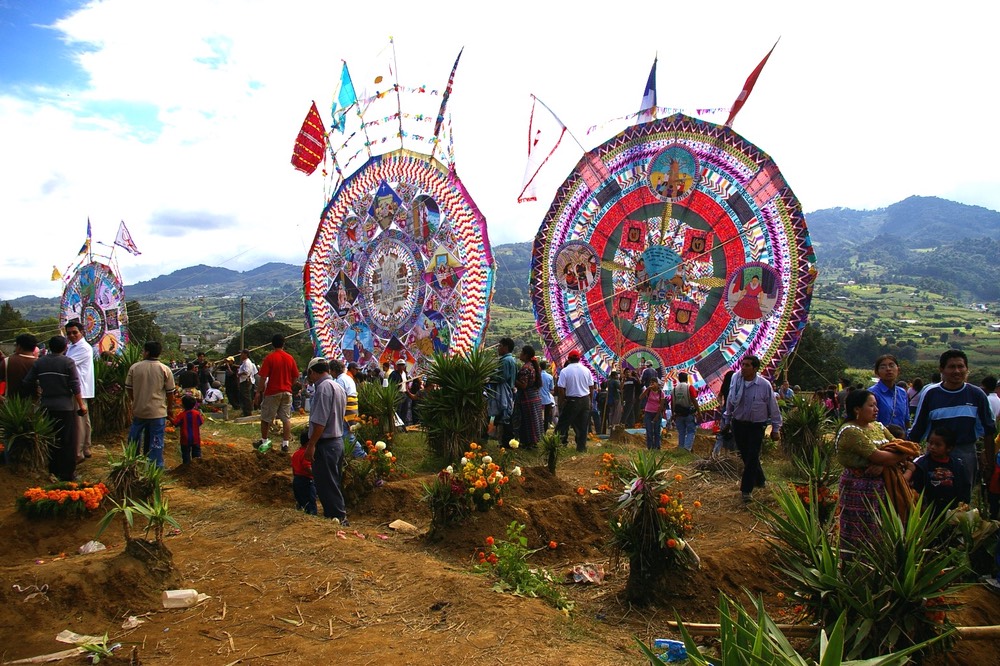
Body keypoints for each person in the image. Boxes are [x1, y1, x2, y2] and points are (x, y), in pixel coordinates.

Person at [836, 389, 918, 551]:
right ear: (857, 409)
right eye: (871, 405)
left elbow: (902, 447)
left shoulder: (878, 426)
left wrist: (885, 463)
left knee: (883, 528)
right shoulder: (850, 431)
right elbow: (879, 456)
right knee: (860, 531)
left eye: (876, 405)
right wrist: (889, 459)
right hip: (858, 489)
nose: (876, 409)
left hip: (884, 487)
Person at [909, 350, 996, 490]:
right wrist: (906, 455)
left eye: (961, 366)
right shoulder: (931, 394)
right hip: (935, 457)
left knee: (963, 498)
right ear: (942, 369)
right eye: (951, 367)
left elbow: (989, 430)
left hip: (966, 454)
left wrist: (990, 465)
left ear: (967, 369)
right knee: (934, 496)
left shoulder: (976, 395)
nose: (957, 371)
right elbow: (918, 429)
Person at [23, 336, 86, 481]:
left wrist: (39, 392)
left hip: (46, 407)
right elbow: (75, 385)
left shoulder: (40, 362)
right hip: (65, 407)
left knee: (51, 438)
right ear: (65, 347)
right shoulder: (68, 362)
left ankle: (53, 470)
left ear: (50, 347)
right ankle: (67, 473)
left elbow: (27, 381)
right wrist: (81, 405)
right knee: (67, 440)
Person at [721, 356, 782, 503]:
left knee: (753, 455)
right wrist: (727, 421)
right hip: (738, 424)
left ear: (755, 368)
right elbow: (730, 402)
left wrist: (775, 428)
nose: (743, 368)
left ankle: (746, 490)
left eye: (747, 365)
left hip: (756, 426)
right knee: (746, 455)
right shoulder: (736, 382)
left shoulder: (764, 385)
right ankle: (760, 480)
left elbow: (773, 407)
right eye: (742, 364)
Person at [303, 357, 348, 524]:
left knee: (326, 484)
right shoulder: (337, 386)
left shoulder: (323, 388)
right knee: (333, 482)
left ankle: (337, 518)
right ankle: (338, 516)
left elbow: (320, 422)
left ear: (312, 372)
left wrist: (311, 445)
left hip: (325, 443)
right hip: (337, 441)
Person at [126, 340, 176, 468]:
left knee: (134, 436)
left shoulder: (135, 367)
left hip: (139, 410)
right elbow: (170, 392)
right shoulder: (165, 369)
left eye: (143, 351)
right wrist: (170, 409)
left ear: (147, 352)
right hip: (157, 412)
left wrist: (135, 400)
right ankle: (155, 465)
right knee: (156, 440)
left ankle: (133, 461)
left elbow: (129, 388)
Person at [910, 426, 971, 516]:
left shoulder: (957, 466)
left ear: (949, 448)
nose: (932, 447)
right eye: (930, 443)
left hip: (951, 512)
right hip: (927, 512)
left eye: (938, 445)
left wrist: (963, 503)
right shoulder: (921, 465)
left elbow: (965, 486)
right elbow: (916, 487)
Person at [255, 334, 299, 452]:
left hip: (273, 391)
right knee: (286, 418)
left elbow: (263, 377)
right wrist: (289, 385)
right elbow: (295, 375)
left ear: (272, 344)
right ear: (283, 344)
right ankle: (285, 444)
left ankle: (264, 441)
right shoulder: (290, 358)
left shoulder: (270, 358)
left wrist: (258, 392)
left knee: (266, 418)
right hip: (287, 391)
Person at [64, 320, 95, 462]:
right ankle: (86, 448)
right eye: (69, 333)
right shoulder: (72, 347)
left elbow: (66, 364)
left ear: (82, 332)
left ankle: (78, 453)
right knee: (83, 421)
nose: (72, 335)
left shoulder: (83, 348)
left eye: (74, 332)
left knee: (79, 423)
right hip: (79, 388)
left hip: (79, 388)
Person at [556, 350, 594, 452]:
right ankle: (581, 448)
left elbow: (560, 388)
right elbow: (591, 387)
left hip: (572, 400)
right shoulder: (586, 370)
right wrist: (590, 401)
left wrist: (563, 400)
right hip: (585, 400)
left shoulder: (565, 371)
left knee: (562, 424)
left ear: (568, 359)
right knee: (583, 426)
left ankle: (555, 445)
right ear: (579, 359)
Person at [331, 359, 363, 458]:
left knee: (347, 435)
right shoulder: (348, 378)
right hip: (352, 409)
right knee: (347, 434)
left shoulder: (340, 380)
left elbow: (340, 397)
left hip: (347, 410)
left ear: (333, 370)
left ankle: (361, 455)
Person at [870, 354, 909, 431]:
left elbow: (906, 420)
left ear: (898, 370)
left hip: (900, 437)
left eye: (891, 366)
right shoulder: (872, 393)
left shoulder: (902, 393)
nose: (888, 369)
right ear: (877, 372)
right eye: (883, 367)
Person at [514, 345, 543, 448]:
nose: (520, 354)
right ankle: (533, 442)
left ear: (526, 355)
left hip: (527, 398)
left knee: (527, 421)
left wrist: (513, 380)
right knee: (534, 420)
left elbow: (523, 385)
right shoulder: (533, 366)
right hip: (534, 396)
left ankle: (528, 442)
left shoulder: (525, 368)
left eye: (521, 352)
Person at [495, 338, 518, 445]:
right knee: (507, 415)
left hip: (503, 391)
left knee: (502, 415)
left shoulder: (504, 361)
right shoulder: (512, 360)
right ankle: (507, 441)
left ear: (506, 347)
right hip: (510, 391)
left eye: (500, 346)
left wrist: (491, 376)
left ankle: (504, 442)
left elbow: (502, 377)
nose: (498, 348)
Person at [4, 333, 38, 399]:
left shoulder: (7, 361)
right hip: (33, 403)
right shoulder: (40, 363)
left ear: (19, 346)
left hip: (10, 403)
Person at [671, 371, 699, 452]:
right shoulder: (689, 387)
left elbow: (672, 403)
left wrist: (673, 414)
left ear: (679, 379)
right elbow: (694, 400)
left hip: (678, 414)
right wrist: (699, 411)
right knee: (691, 431)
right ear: (687, 379)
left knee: (681, 432)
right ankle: (687, 448)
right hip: (688, 413)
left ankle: (681, 448)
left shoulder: (674, 389)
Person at [291, 431, 318, 515]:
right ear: (308, 443)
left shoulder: (296, 453)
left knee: (301, 499)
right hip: (306, 480)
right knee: (310, 500)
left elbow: (293, 467)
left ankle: (302, 512)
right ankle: (311, 515)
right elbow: (307, 467)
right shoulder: (306, 454)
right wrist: (316, 475)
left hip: (297, 479)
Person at [173, 394, 204, 464]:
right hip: (196, 438)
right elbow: (201, 422)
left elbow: (176, 423)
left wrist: (169, 417)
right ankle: (197, 467)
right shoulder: (197, 413)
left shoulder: (181, 415)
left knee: (186, 455)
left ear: (183, 405)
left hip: (185, 438)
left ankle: (187, 467)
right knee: (197, 455)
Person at [638, 377, 667, 450]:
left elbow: (661, 405)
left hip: (657, 413)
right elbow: (640, 397)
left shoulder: (661, 393)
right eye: (651, 383)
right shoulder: (648, 391)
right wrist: (647, 389)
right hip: (648, 412)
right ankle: (650, 447)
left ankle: (657, 446)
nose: (652, 384)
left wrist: (657, 416)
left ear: (657, 384)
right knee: (649, 430)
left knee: (657, 430)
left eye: (653, 382)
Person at [712, 370, 736, 457]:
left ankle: (716, 452)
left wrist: (721, 405)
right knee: (733, 432)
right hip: (734, 410)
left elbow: (719, 395)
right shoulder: (735, 386)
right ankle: (732, 454)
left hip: (725, 410)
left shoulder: (724, 386)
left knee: (722, 431)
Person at [388, 359, 411, 427]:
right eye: (400, 365)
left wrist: (407, 389)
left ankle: (403, 425)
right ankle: (398, 426)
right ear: (397, 366)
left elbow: (406, 383)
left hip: (404, 393)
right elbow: (390, 384)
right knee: (398, 410)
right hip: (398, 394)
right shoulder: (393, 374)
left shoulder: (405, 373)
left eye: (402, 365)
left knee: (405, 410)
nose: (401, 366)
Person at [237, 349, 257, 417]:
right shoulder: (244, 362)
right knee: (243, 396)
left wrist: (239, 374)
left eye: (242, 353)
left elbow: (246, 372)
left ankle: (248, 411)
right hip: (243, 380)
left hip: (245, 380)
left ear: (245, 354)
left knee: (246, 397)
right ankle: (245, 410)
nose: (241, 355)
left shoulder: (247, 362)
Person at [539, 360, 555, 433]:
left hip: (538, 399)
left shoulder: (537, 376)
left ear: (539, 367)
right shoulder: (550, 377)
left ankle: (539, 431)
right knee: (546, 417)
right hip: (547, 400)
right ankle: (544, 431)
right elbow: (551, 389)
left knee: (538, 417)